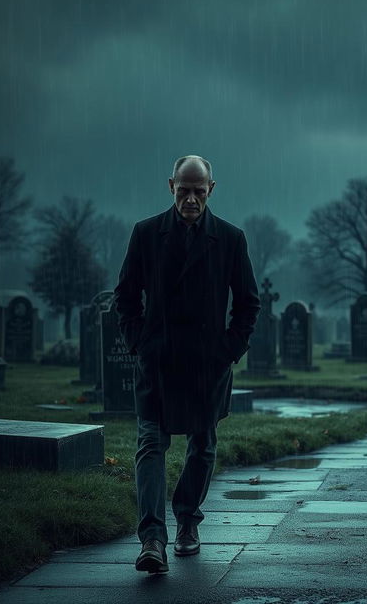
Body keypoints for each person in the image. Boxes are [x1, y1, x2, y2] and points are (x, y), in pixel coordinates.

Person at [114, 155, 260, 573]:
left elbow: (249, 303)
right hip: (157, 361)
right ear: (171, 187)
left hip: (206, 364)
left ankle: (187, 522)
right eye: (184, 190)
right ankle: (152, 539)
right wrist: (139, 343)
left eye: (199, 190)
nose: (191, 199)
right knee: (150, 446)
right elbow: (125, 297)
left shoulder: (230, 239)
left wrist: (228, 350)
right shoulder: (146, 234)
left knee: (203, 446)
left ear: (211, 189)